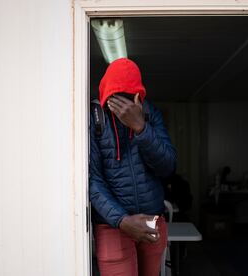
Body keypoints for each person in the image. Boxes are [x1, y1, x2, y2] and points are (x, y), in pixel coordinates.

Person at [89, 57, 177, 276]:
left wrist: (141, 128)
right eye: (115, 99)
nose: (123, 108)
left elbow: (168, 167)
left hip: (151, 220)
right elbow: (92, 179)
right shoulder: (95, 118)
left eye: (128, 99)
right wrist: (122, 220)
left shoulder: (149, 114)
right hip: (113, 225)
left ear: (138, 96)